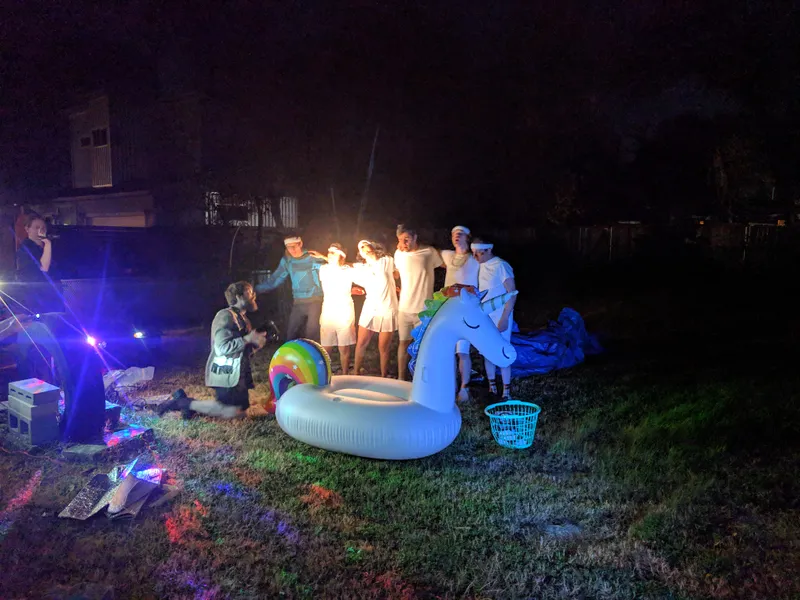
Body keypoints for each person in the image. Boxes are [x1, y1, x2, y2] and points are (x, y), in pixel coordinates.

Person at [158, 281, 267, 419]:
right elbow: (222, 348)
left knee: (241, 414)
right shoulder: (225, 316)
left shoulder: (243, 319)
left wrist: (255, 344)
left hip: (238, 374)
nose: (254, 295)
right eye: (249, 292)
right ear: (239, 296)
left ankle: (187, 405)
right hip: (225, 374)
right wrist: (247, 339)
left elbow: (240, 351)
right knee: (231, 413)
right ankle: (183, 403)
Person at [393, 224, 444, 381]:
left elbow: (446, 264)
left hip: (423, 309)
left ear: (415, 237)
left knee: (422, 346)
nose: (403, 243)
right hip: (404, 308)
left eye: (406, 239)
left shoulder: (429, 252)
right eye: (400, 240)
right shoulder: (398, 254)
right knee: (403, 343)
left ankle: (421, 380)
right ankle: (401, 379)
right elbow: (396, 273)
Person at [256, 235, 326, 342]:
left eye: (294, 246)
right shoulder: (287, 261)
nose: (292, 249)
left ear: (300, 244)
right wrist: (256, 290)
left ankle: (314, 352)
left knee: (312, 332)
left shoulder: (313, 257)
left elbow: (333, 268)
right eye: (289, 247)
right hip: (298, 302)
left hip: (315, 300)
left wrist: (324, 257)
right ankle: (290, 352)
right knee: (291, 334)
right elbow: (276, 279)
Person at [472, 236, 517, 399]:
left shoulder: (501, 265)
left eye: (479, 253)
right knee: (487, 351)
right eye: (473, 253)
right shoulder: (479, 266)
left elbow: (512, 293)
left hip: (500, 316)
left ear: (489, 249)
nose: (476, 257)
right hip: (485, 316)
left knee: (503, 350)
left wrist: (504, 318)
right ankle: (492, 388)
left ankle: (506, 392)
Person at [441, 225, 480, 402]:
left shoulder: (475, 258)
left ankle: (464, 388)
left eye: (460, 234)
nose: (456, 236)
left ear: (468, 237)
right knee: (448, 349)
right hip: (448, 309)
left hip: (466, 309)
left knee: (462, 350)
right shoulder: (447, 255)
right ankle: (449, 385)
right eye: (454, 234)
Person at [352, 240, 398, 377]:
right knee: (361, 343)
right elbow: (343, 266)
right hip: (370, 309)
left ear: (373, 247)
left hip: (387, 308)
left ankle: (384, 376)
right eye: (361, 248)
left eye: (366, 246)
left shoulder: (387, 261)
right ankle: (355, 373)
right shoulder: (360, 268)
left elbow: (397, 274)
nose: (364, 248)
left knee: (383, 347)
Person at [319, 243, 357, 374]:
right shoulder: (324, 269)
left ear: (341, 255)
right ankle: (325, 375)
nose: (330, 255)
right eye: (329, 252)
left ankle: (345, 374)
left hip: (344, 313)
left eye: (333, 253)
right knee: (326, 347)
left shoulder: (349, 270)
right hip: (328, 312)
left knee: (344, 347)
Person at [16, 213, 53, 282]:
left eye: (43, 228)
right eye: (37, 227)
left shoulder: (50, 246)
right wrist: (47, 243)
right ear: (27, 229)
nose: (41, 230)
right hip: (34, 287)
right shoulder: (24, 249)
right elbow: (44, 268)